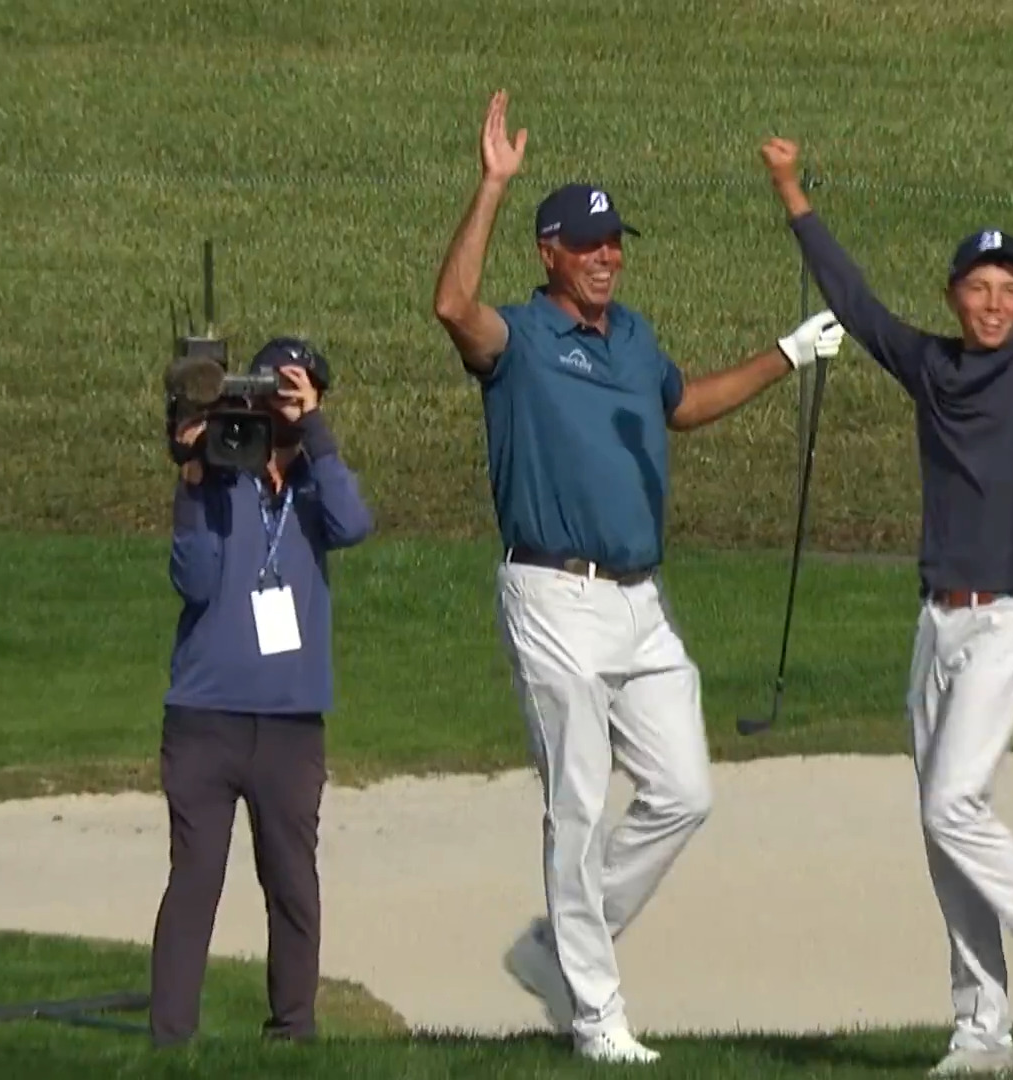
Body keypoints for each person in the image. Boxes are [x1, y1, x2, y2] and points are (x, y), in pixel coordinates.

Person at [430, 88, 843, 1065]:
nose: (609, 255)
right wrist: (492, 186)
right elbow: (452, 305)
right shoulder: (520, 343)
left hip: (640, 603)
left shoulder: (634, 337)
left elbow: (684, 406)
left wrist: (786, 356)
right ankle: (597, 1014)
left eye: (616, 241)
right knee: (577, 804)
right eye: (589, 243)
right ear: (551, 254)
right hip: (551, 594)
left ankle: (556, 953)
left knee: (682, 793)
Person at [759, 113, 1013, 1075]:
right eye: (980, 288)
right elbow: (854, 302)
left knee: (955, 806)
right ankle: (982, 1031)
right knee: (944, 833)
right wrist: (792, 192)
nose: (996, 303)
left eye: (1010, 289)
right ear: (955, 295)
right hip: (937, 624)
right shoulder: (933, 368)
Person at [150, 339, 375, 1047]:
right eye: (266, 396)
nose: (271, 412)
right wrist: (193, 481)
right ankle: (172, 1038)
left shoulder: (316, 484)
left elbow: (354, 525)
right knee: (195, 883)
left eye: (292, 397)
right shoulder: (219, 476)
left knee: (292, 885)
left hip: (290, 725)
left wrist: (315, 434)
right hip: (204, 718)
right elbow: (193, 579)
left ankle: (293, 1028)